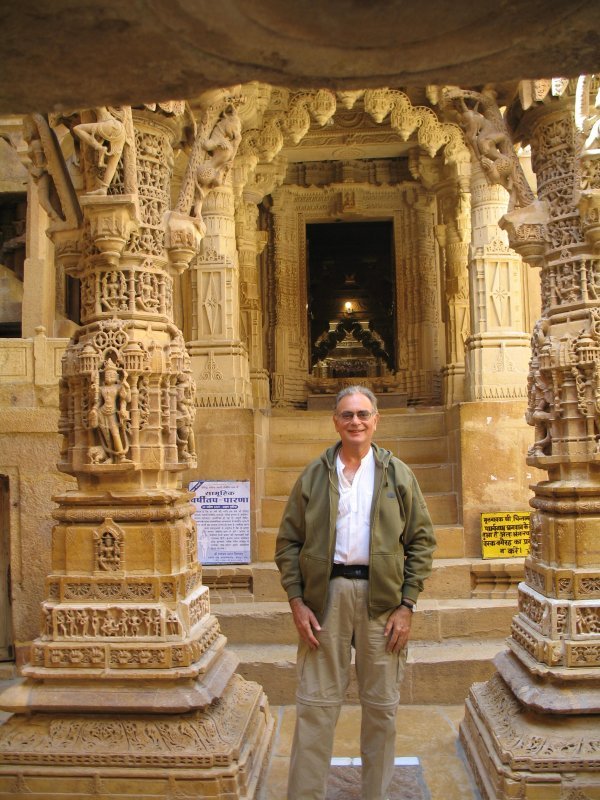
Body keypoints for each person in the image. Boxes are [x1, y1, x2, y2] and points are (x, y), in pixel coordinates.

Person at [275, 385, 436, 800]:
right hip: (323, 600)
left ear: (376, 420)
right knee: (315, 706)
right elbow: (288, 542)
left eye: (363, 414)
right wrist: (296, 601)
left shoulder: (397, 474)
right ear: (335, 421)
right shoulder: (314, 474)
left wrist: (407, 605)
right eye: (347, 415)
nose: (356, 422)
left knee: (381, 708)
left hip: (382, 602)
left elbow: (420, 541)